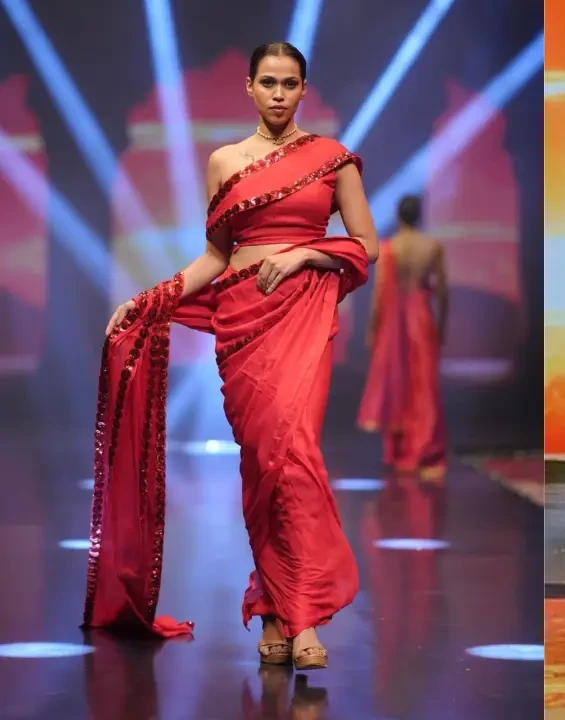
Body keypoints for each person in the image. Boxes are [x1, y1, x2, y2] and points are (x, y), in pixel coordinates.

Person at [88, 42, 377, 671]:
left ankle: (302, 616)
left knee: (294, 455)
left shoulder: (332, 159)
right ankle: (273, 607)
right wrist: (149, 299)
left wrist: (305, 254)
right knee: (262, 464)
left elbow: (365, 245)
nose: (278, 94)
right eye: (268, 82)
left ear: (304, 90)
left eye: (290, 83)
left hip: (301, 316)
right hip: (242, 323)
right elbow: (216, 257)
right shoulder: (224, 161)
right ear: (249, 87)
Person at [357, 195, 449, 479]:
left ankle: (400, 449)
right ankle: (425, 448)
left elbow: (379, 294)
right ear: (420, 215)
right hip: (421, 317)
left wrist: (373, 329)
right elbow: (443, 293)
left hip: (394, 321)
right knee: (424, 384)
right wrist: (442, 327)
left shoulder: (390, 248)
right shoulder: (432, 247)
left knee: (398, 382)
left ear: (398, 216)